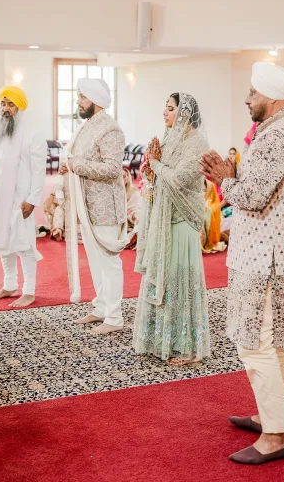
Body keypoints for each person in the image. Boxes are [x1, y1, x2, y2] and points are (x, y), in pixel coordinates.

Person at [200, 62, 284, 465]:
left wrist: (224, 180)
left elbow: (250, 197)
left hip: (265, 259)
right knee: (273, 345)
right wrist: (235, 175)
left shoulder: (276, 138)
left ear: (272, 96)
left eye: (253, 92)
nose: (247, 98)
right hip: (278, 254)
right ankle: (272, 417)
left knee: (256, 345)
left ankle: (273, 438)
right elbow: (260, 189)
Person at [133, 93, 210, 365]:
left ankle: (189, 348)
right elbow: (159, 179)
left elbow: (178, 179)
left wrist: (155, 163)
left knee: (181, 284)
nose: (163, 113)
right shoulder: (170, 140)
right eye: (163, 108)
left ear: (185, 113)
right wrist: (150, 170)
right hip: (165, 222)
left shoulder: (198, 143)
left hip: (183, 223)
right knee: (166, 282)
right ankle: (163, 340)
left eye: (169, 109)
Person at [59, 77, 126, 335]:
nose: (78, 101)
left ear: (95, 101)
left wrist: (75, 164)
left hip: (105, 207)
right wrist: (70, 164)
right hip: (87, 207)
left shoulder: (110, 129)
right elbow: (80, 159)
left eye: (82, 97)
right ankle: (101, 307)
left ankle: (115, 317)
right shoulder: (87, 127)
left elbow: (111, 170)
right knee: (95, 263)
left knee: (109, 262)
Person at [0, 86, 47, 308]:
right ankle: (9, 285)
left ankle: (29, 290)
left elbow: (39, 171)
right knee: (1, 239)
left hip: (20, 199)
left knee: (24, 243)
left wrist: (33, 199)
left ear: (20, 107)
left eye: (11, 104)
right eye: (3, 104)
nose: (6, 109)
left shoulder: (32, 135)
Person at [200, 179, 226, 253]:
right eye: (200, 191)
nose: (202, 193)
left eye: (204, 190)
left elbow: (212, 210)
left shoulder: (213, 203)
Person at [123, 167, 141, 249]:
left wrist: (135, 216)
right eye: (120, 177)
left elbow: (135, 209)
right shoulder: (112, 191)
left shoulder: (134, 192)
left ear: (128, 177)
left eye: (124, 176)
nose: (123, 179)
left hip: (129, 221)